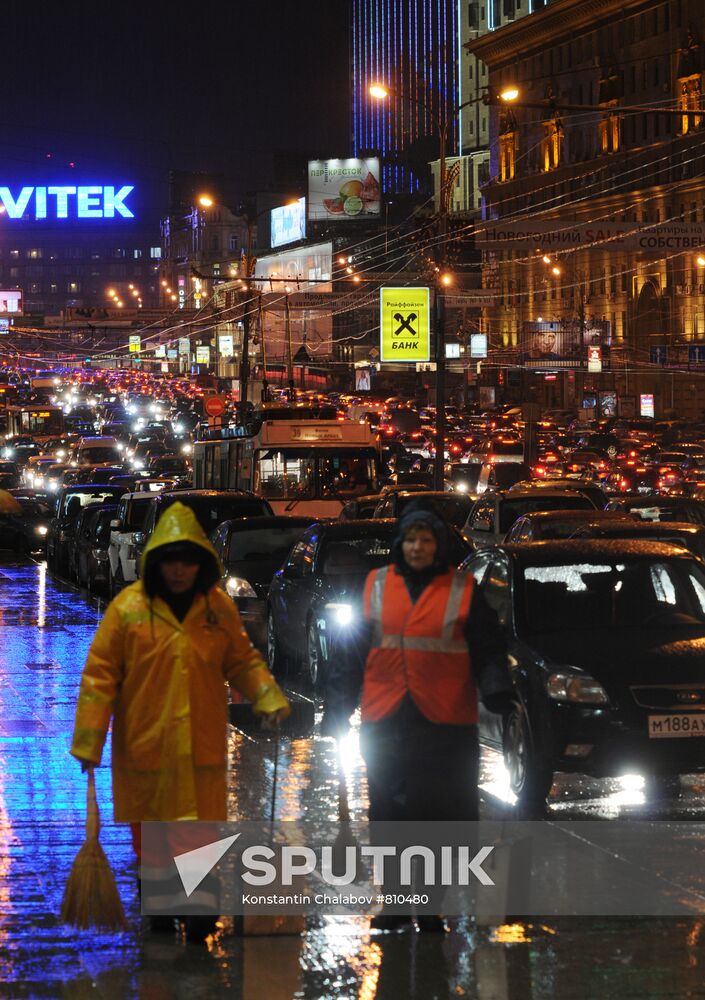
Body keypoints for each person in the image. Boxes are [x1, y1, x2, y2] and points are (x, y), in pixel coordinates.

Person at [70, 501, 290, 940]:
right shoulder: (128, 609)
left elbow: (240, 660)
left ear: (200, 564)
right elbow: (100, 676)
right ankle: (161, 909)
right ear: (156, 563)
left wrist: (268, 696)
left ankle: (200, 908)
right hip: (145, 747)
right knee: (153, 835)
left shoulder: (216, 608)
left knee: (199, 831)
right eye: (171, 562)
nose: (178, 571)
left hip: (199, 744)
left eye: (187, 562)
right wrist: (89, 742)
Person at [323, 503, 514, 933]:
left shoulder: (462, 589)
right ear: (400, 543)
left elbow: (487, 646)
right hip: (387, 720)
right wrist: (337, 706)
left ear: (438, 545)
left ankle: (429, 905)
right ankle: (393, 903)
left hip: (445, 722)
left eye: (426, 540)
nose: (417, 547)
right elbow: (350, 656)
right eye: (411, 539)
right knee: (389, 813)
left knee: (440, 815)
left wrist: (497, 687)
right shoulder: (376, 585)